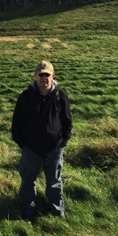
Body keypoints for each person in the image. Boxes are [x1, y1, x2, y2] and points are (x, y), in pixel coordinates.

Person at [11, 60, 72, 222]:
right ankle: (28, 211)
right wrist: (23, 144)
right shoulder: (25, 97)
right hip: (31, 149)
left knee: (54, 182)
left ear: (53, 76)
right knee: (28, 181)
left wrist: (62, 143)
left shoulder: (61, 96)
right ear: (35, 76)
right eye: (41, 75)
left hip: (54, 149)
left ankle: (57, 213)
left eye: (47, 75)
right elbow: (16, 124)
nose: (44, 78)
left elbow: (67, 122)